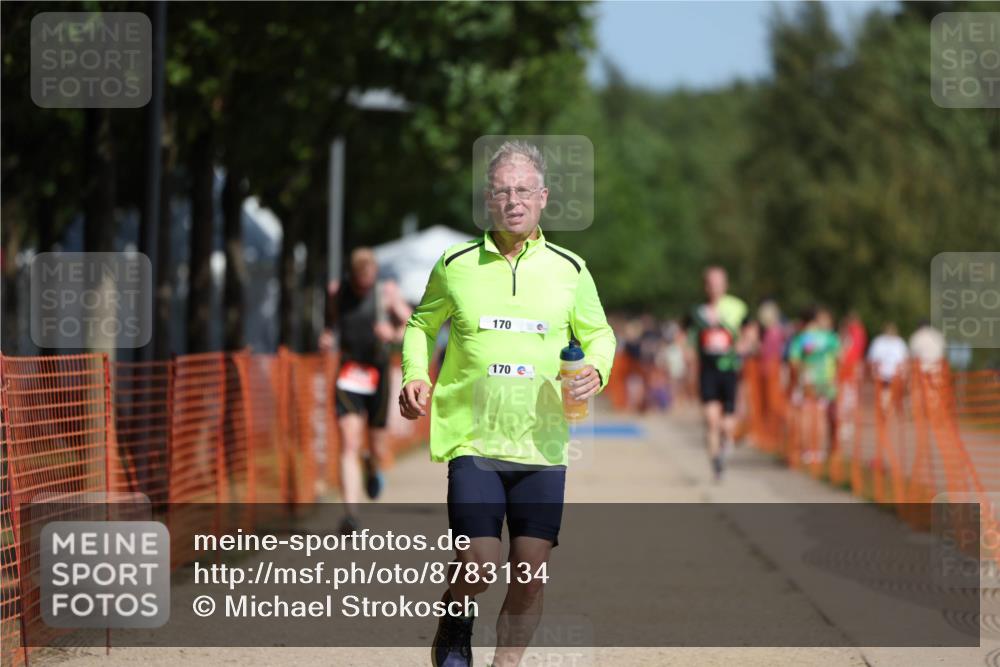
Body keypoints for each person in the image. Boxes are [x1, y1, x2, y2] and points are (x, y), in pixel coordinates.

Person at [399, 140, 615, 667]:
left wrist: (596, 370)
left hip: (542, 443)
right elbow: (420, 325)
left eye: (523, 190)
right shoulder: (455, 264)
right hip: (473, 437)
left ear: (542, 198)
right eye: (501, 190)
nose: (513, 199)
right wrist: (413, 375)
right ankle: (456, 615)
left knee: (530, 569)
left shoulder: (570, 269)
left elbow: (601, 333)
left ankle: (505, 664)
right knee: (477, 561)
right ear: (488, 200)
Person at [319, 247, 412, 535]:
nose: (364, 286)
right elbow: (330, 325)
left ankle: (371, 465)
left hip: (378, 372)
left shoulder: (386, 292)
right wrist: (326, 336)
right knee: (348, 442)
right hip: (349, 373)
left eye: (368, 281)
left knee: (377, 444)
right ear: (352, 275)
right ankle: (351, 515)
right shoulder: (337, 292)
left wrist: (393, 334)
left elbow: (412, 326)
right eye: (359, 282)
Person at [686, 266, 752, 481]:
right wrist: (687, 352)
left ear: (725, 285)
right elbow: (684, 333)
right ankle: (716, 463)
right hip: (708, 371)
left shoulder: (737, 307)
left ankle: (725, 444)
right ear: (705, 286)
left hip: (729, 369)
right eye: (710, 283)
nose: (714, 287)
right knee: (711, 420)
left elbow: (751, 332)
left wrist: (744, 345)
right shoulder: (697, 311)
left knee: (726, 424)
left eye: (718, 283)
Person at [787, 306, 841, 461]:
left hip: (807, 380)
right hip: (825, 380)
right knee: (821, 414)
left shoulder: (802, 337)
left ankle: (807, 450)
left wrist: (799, 376)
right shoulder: (830, 337)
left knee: (806, 413)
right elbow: (839, 357)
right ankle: (819, 450)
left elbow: (794, 360)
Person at [867, 322, 909, 412]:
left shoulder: (899, 342)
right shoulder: (879, 342)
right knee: (886, 391)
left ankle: (887, 407)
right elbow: (872, 358)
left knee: (887, 391)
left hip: (893, 374)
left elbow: (904, 359)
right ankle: (887, 408)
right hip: (883, 374)